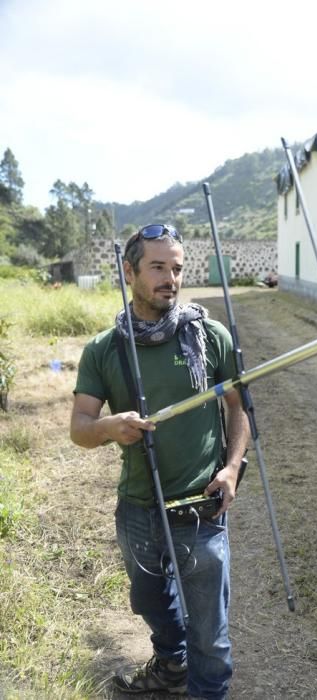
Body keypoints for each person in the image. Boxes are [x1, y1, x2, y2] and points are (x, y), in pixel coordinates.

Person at [70, 224, 250, 700]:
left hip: (200, 506)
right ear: (129, 272)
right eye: (158, 267)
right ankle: (171, 666)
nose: (171, 278)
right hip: (137, 509)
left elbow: (238, 409)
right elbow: (80, 428)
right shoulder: (104, 349)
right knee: (151, 601)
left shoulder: (210, 337)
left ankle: (207, 690)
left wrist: (231, 469)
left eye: (177, 268)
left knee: (210, 634)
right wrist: (110, 427)